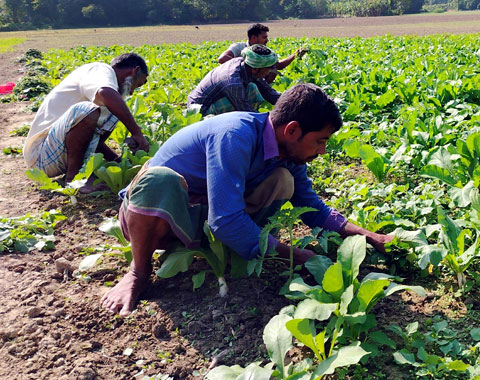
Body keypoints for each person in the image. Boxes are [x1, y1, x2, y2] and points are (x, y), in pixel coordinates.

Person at [102, 83, 393, 316]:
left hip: (205, 219)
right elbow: (225, 220)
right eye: (320, 140)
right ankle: (138, 272)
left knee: (283, 180)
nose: (322, 151)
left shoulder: (288, 152)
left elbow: (314, 210)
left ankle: (237, 249)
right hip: (158, 217)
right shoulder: (235, 135)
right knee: (159, 181)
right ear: (292, 130)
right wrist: (299, 255)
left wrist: (369, 236)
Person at [23, 53, 150, 187]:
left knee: (112, 113)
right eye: (138, 84)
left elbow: (92, 140)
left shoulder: (108, 90)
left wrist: (119, 162)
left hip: (57, 154)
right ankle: (74, 180)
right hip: (40, 155)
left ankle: (76, 174)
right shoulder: (101, 70)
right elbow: (105, 92)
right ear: (134, 71)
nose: (132, 93)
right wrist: (137, 132)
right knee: (87, 110)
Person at [188, 45, 280, 116]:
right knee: (249, 116)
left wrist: (291, 104)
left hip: (215, 101)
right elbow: (245, 109)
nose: (269, 72)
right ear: (255, 69)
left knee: (252, 88)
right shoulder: (233, 80)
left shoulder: (247, 65)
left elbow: (269, 92)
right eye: (268, 68)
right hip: (200, 111)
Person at [217, 23, 308, 84]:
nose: (267, 40)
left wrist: (295, 54)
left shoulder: (264, 52)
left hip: (253, 85)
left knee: (273, 72)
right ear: (253, 38)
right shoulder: (238, 47)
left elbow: (278, 65)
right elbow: (222, 59)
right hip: (234, 82)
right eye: (264, 37)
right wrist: (247, 66)